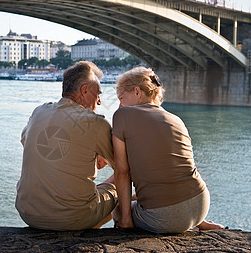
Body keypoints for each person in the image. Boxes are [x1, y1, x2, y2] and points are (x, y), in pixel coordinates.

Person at [112, 67, 225, 233]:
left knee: (117, 207)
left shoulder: (122, 115)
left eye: (122, 97)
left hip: (163, 218)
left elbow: (122, 172)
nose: (120, 104)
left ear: (137, 92)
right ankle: (199, 223)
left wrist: (126, 221)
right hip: (200, 204)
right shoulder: (175, 119)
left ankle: (132, 219)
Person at [15, 61, 117, 231]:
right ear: (85, 91)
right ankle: (109, 227)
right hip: (72, 218)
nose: (99, 102)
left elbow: (31, 144)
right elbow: (122, 167)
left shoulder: (39, 112)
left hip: (28, 214)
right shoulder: (96, 123)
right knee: (120, 183)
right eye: (98, 94)